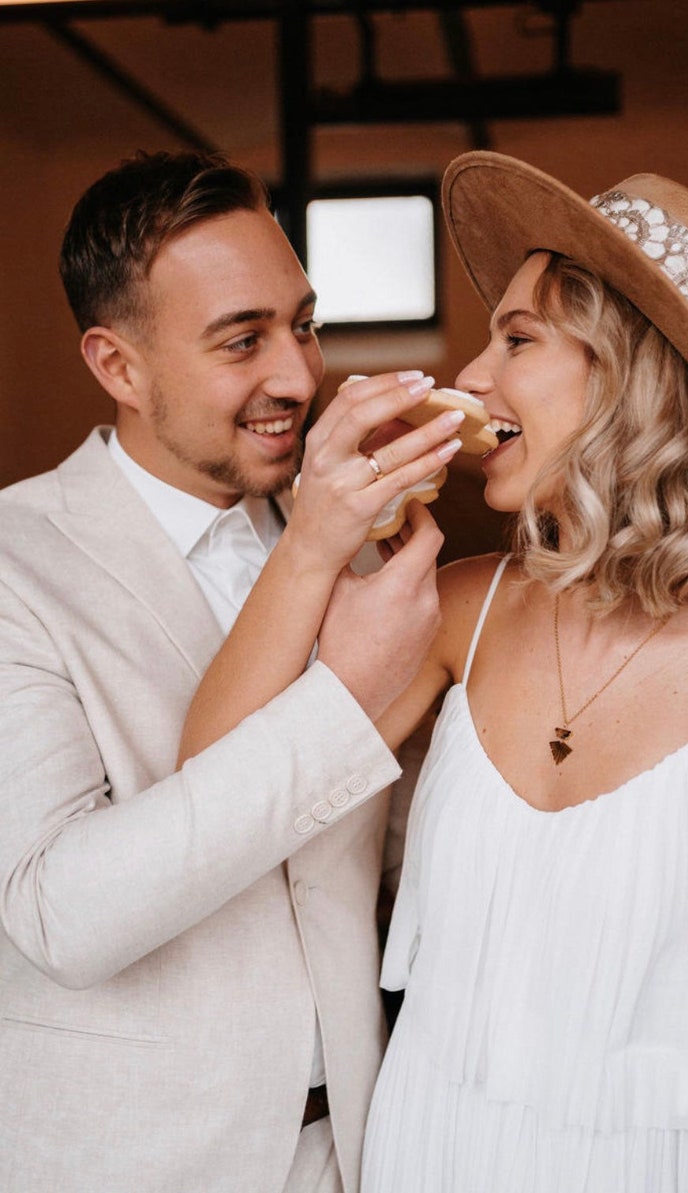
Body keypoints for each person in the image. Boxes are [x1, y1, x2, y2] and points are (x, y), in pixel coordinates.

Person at [0, 149, 466, 1193]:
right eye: (240, 340)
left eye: (301, 323)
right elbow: (59, 914)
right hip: (127, 1163)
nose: (299, 377)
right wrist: (343, 698)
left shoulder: (359, 547)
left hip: (360, 1148)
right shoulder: (13, 565)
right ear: (118, 366)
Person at [354, 157, 688, 1190]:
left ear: (631, 377)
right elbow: (236, 793)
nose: (466, 377)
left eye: (515, 339)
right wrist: (329, 535)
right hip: (418, 1154)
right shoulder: (458, 607)